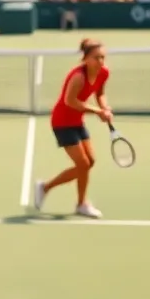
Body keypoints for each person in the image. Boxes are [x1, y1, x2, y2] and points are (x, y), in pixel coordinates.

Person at [30, 38, 111, 219]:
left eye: (103, 57)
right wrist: (98, 111)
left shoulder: (103, 73)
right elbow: (70, 101)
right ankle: (45, 188)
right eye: (96, 58)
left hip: (77, 121)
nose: (101, 62)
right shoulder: (78, 77)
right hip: (62, 122)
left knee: (90, 162)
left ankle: (81, 204)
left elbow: (100, 93)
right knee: (82, 164)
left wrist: (105, 107)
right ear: (85, 59)